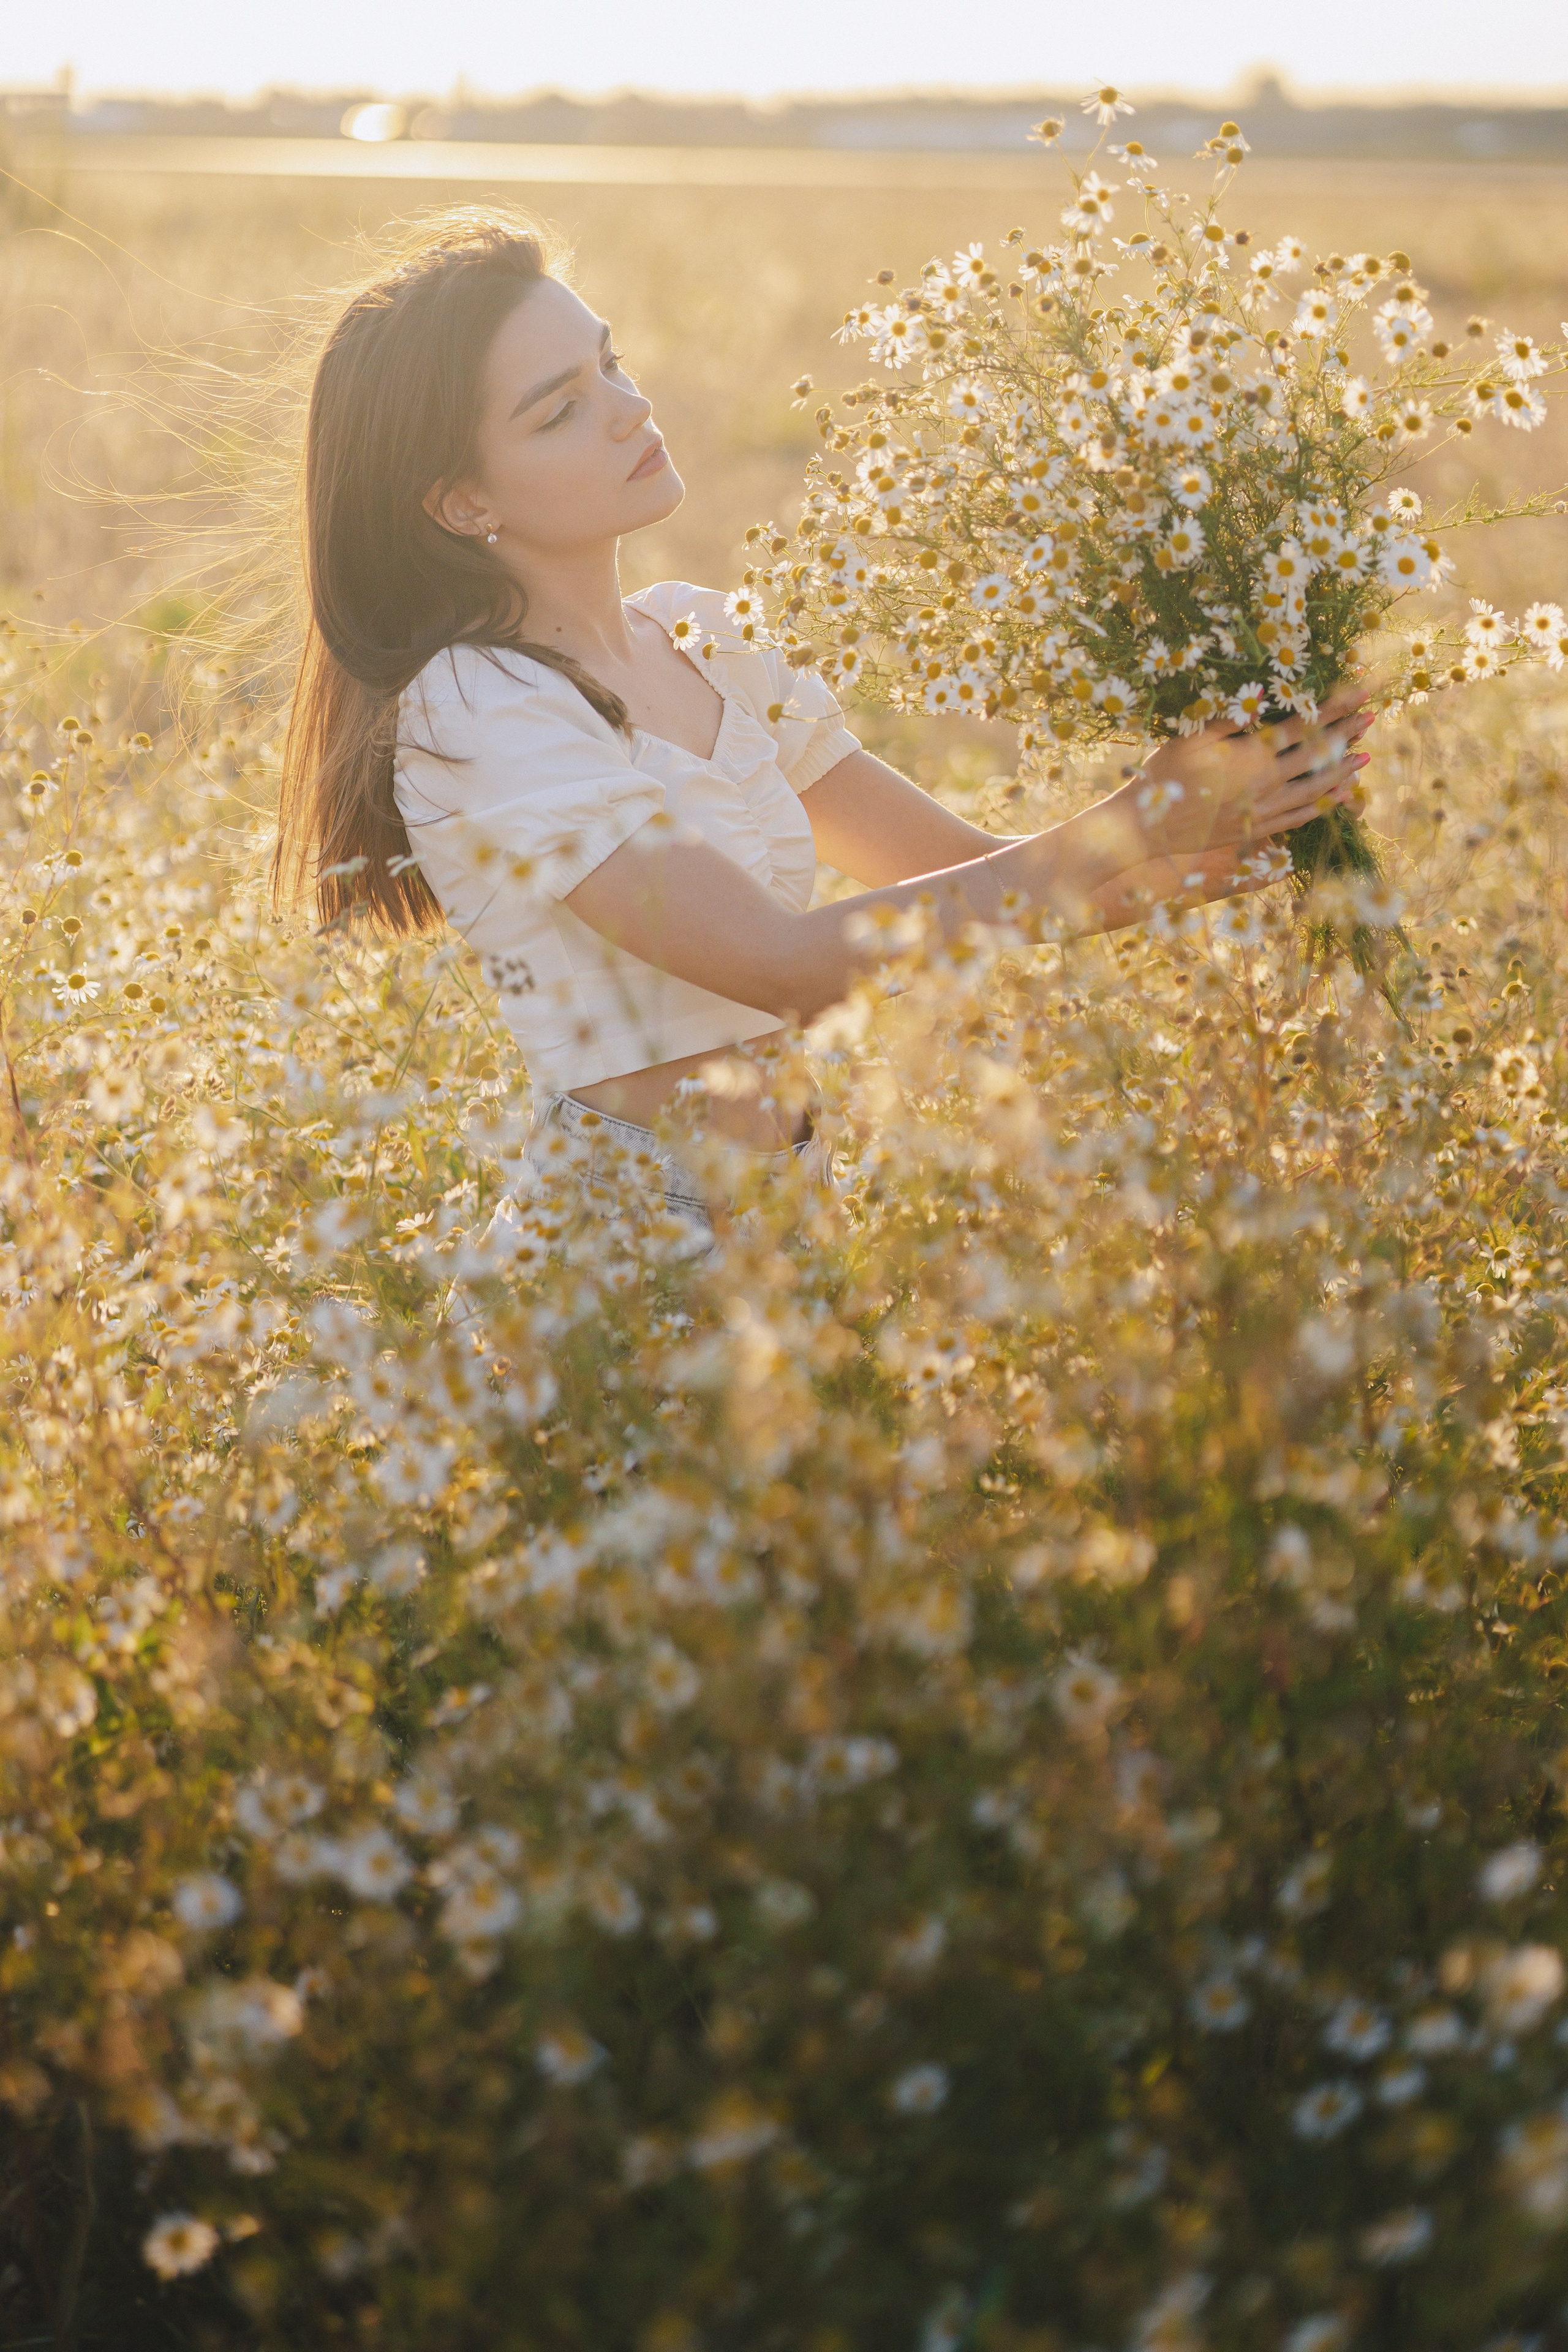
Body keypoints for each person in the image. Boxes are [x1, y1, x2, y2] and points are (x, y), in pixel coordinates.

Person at [273, 208, 1372, 1240]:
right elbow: (787, 965)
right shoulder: (479, 705)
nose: (628, 407)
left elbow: (980, 878)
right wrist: (1145, 814)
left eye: (609, 362)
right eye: (560, 408)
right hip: (623, 1242)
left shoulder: (703, 639)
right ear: (463, 503)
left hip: (797, 1204)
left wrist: (1259, 810)